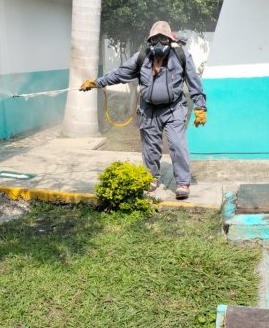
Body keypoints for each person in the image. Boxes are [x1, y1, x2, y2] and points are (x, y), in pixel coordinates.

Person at [79, 21, 207, 199]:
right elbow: (119, 74)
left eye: (163, 39)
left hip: (174, 108)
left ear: (170, 40)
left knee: (177, 145)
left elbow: (194, 83)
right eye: (155, 40)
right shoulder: (141, 58)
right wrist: (97, 82)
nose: (159, 43)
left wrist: (200, 107)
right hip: (149, 110)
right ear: (150, 41)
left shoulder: (181, 56)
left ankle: (183, 183)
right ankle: (151, 178)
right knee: (150, 148)